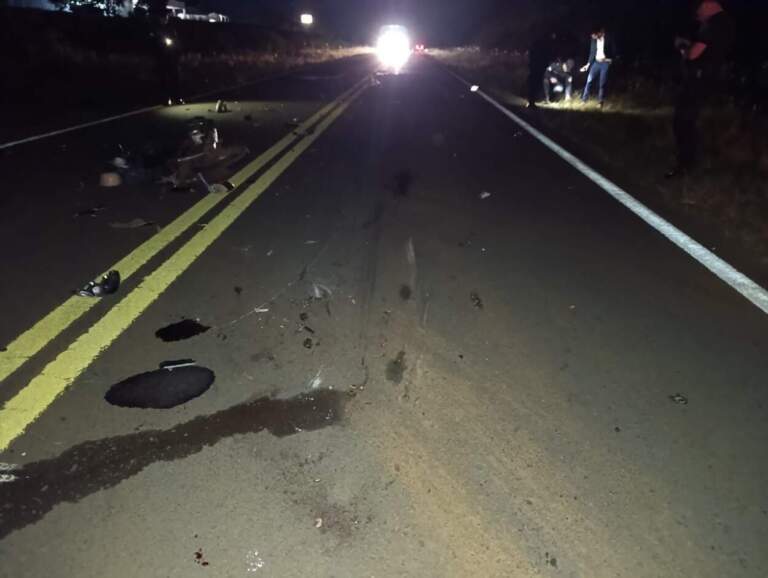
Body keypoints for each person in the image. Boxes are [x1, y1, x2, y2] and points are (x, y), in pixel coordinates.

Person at [666, 0, 733, 178]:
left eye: (699, 12)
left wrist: (682, 47)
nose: (699, 17)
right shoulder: (726, 24)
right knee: (691, 122)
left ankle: (684, 166)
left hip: (697, 80)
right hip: (709, 80)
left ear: (708, 6)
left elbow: (695, 53)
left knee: (682, 122)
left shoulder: (712, 25)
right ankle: (691, 163)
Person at [580, 27, 615, 106]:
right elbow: (592, 52)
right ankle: (584, 100)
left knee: (602, 83)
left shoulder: (608, 39)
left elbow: (613, 50)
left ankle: (600, 102)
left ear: (599, 33)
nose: (592, 37)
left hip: (605, 63)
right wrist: (587, 65)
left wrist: (611, 60)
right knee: (589, 80)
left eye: (594, 35)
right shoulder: (593, 40)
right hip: (596, 63)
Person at [528, 31, 557, 108]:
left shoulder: (537, 44)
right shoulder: (545, 45)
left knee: (535, 84)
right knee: (536, 84)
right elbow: (546, 57)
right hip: (538, 67)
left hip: (535, 67)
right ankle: (532, 102)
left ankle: (532, 101)